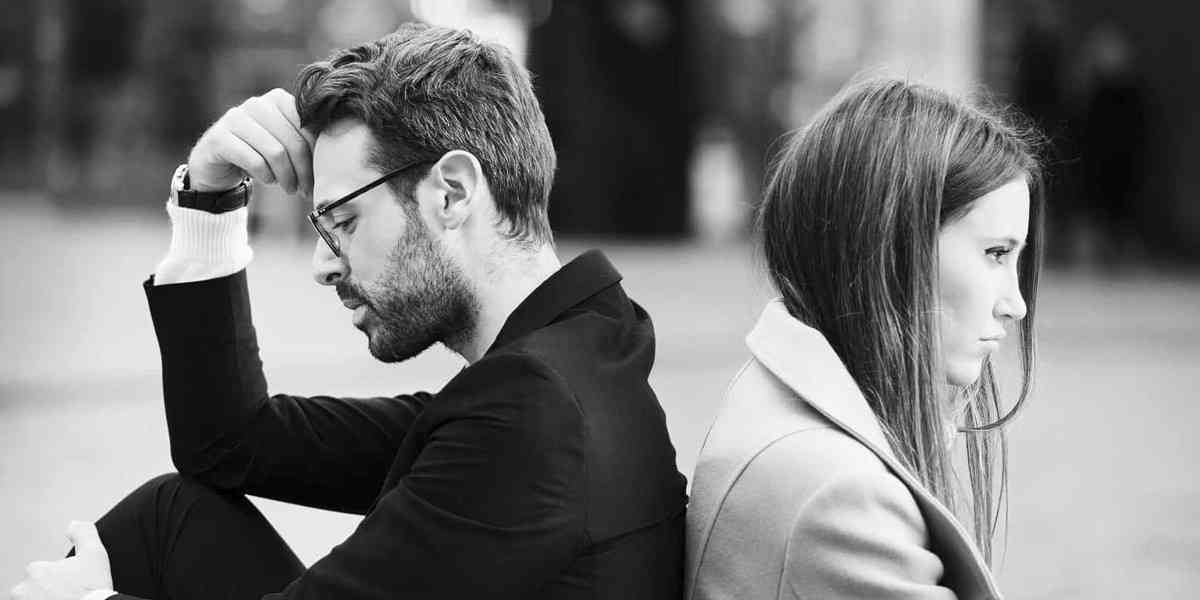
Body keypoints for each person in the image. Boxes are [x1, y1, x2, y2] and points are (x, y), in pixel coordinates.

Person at [12, 24, 687, 600]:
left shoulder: (533, 420)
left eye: (344, 221)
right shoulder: (569, 363)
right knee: (172, 516)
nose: (323, 265)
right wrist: (211, 193)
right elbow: (228, 443)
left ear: (451, 193)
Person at [685, 78, 1044, 599]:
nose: (1016, 303)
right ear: (891, 247)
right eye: (995, 253)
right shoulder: (841, 495)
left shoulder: (786, 398)